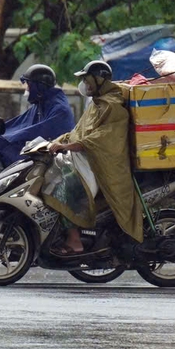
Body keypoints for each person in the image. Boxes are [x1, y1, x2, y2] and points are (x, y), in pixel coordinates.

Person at [43, 60, 144, 256]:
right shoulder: (97, 103)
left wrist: (65, 146)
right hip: (84, 162)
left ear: (99, 80)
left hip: (101, 168)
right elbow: (78, 132)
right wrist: (54, 142)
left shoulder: (113, 106)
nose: (84, 84)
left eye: (87, 79)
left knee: (64, 192)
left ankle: (75, 241)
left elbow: (98, 140)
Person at [0, 64, 75, 169]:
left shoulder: (59, 109)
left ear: (38, 86)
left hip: (54, 164)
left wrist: (7, 140)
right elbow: (20, 124)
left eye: (28, 85)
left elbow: (38, 132)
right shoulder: (42, 102)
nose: (26, 88)